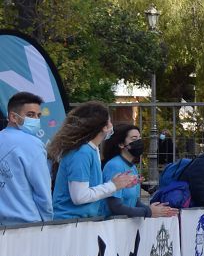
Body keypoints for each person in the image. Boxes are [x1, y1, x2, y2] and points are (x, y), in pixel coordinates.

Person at [49, 102, 139, 220]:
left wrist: (118, 184)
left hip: (81, 221)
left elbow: (91, 190)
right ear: (104, 127)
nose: (112, 125)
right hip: (69, 223)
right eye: (110, 121)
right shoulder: (82, 152)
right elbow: (79, 197)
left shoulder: (91, 149)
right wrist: (112, 186)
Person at [101, 123, 178, 218]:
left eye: (139, 138)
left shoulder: (132, 167)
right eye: (134, 139)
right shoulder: (114, 166)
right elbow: (116, 207)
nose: (139, 142)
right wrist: (148, 212)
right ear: (121, 144)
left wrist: (158, 210)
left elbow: (135, 202)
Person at [0, 91, 53, 225]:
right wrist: (47, 221)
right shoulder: (32, 144)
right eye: (30, 115)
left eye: (38, 115)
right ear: (13, 117)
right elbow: (42, 190)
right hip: (27, 224)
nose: (35, 119)